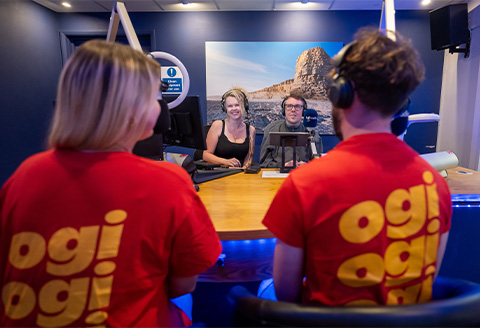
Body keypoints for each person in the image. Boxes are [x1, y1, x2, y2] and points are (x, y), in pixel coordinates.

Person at [0, 40, 222, 327]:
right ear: (140, 108)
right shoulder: (167, 182)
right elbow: (183, 284)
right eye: (157, 96)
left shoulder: (23, 176)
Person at [261, 28, 452, 306]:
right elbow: (428, 280)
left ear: (341, 95)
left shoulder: (304, 184)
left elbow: (286, 293)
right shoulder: (435, 184)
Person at [259, 94, 323, 168]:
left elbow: (318, 165)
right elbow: (264, 163)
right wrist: (282, 165)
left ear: (303, 111)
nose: (293, 110)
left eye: (297, 106)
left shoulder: (313, 136)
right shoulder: (271, 130)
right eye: (289, 106)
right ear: (284, 110)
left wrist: (308, 166)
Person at [203, 88, 255, 168]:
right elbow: (206, 155)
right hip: (219, 173)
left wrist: (243, 171)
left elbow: (248, 159)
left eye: (237, 105)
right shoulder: (217, 125)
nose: (234, 108)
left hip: (239, 174)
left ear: (244, 106)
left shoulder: (251, 130)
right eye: (230, 106)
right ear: (225, 109)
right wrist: (225, 162)